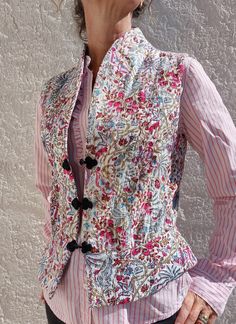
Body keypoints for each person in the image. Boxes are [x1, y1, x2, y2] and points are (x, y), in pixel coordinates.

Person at [34, 1, 236, 323]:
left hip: (152, 310)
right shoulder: (53, 94)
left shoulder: (176, 75)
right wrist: (54, 261)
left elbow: (231, 181)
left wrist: (217, 278)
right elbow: (50, 190)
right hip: (61, 307)